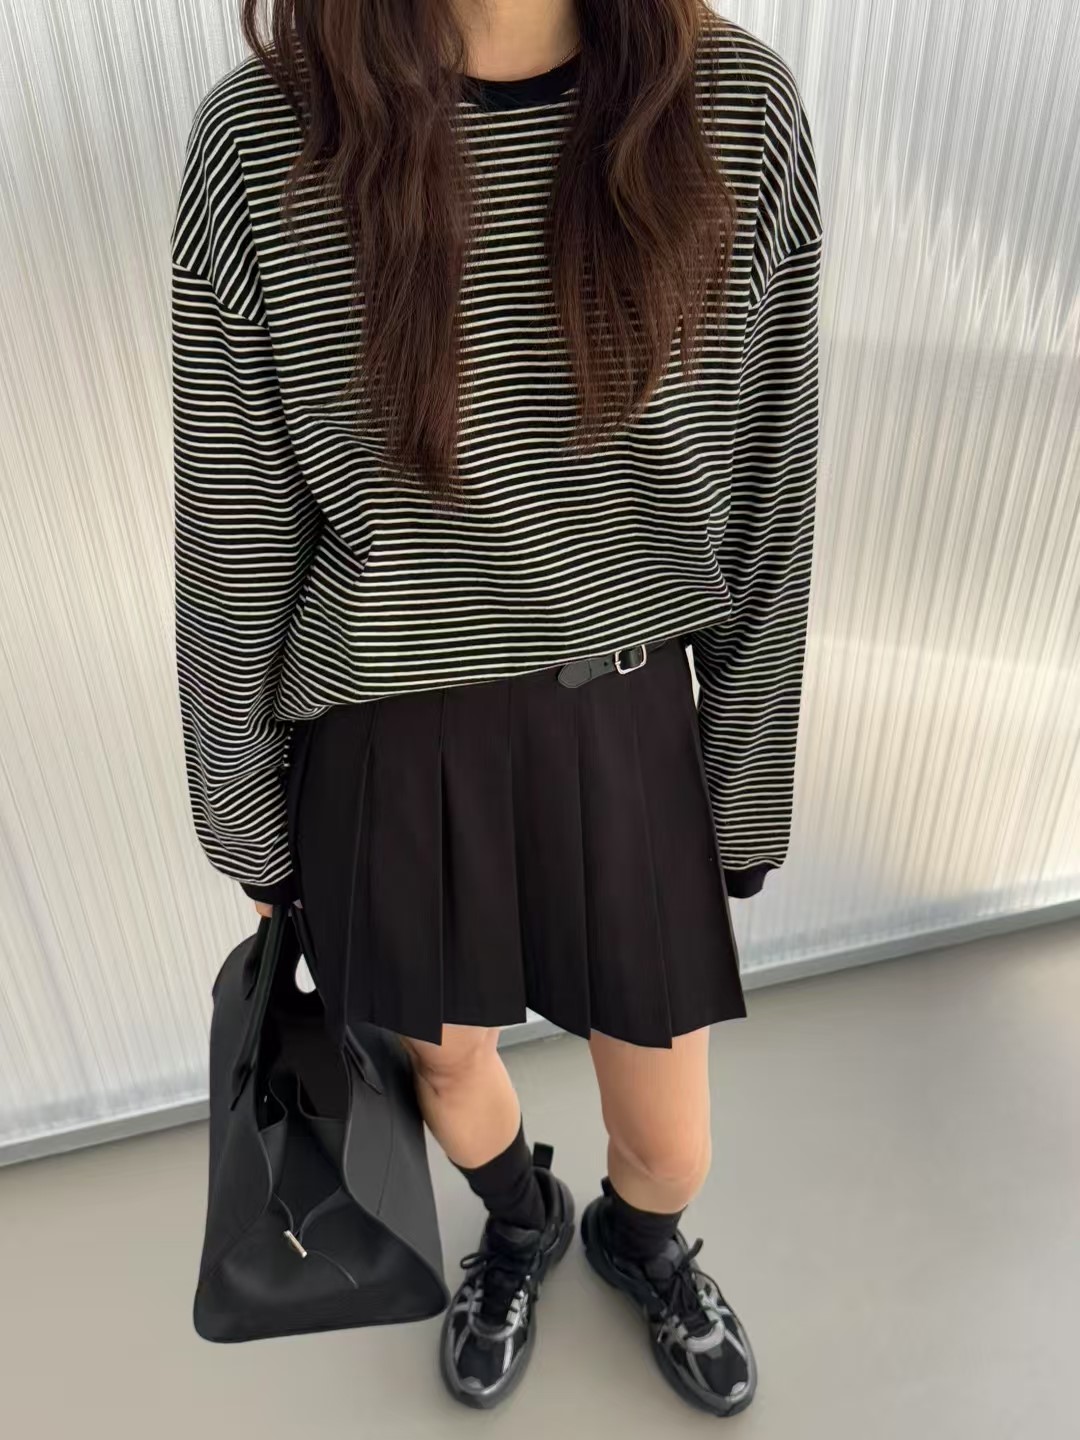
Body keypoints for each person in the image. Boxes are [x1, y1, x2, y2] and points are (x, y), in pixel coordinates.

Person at [171, 0, 821, 1416]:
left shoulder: (734, 112)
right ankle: (518, 1226)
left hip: (623, 714)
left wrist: (746, 776)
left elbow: (772, 476)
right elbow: (235, 522)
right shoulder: (266, 139)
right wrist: (243, 809)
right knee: (450, 1070)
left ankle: (638, 1239)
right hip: (389, 736)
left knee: (674, 1140)